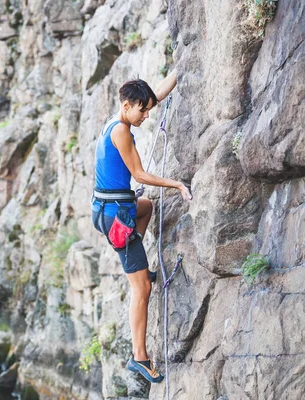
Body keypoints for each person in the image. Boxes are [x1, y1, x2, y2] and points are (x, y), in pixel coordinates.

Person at [91, 70, 192, 383]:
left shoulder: (120, 116)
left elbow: (156, 93)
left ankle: (140, 265)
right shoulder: (121, 131)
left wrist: (180, 66)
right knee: (142, 289)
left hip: (111, 208)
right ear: (127, 106)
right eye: (142, 110)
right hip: (116, 218)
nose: (147, 115)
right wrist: (176, 184)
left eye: (149, 109)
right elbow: (140, 174)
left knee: (146, 206)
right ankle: (140, 358)